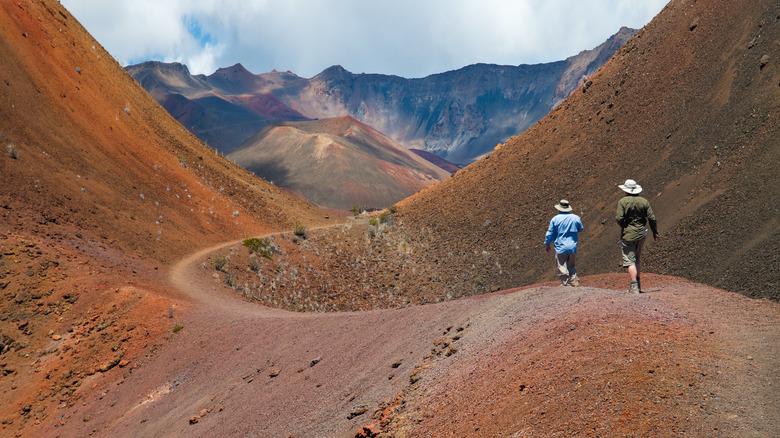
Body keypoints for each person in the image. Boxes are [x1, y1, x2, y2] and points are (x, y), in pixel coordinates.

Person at [615, 179, 660, 294]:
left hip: (628, 235)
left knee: (630, 260)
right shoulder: (644, 201)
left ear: (625, 190)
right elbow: (652, 218)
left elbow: (619, 218)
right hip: (641, 234)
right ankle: (638, 284)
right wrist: (655, 233)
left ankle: (634, 286)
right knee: (637, 258)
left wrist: (624, 225)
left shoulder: (622, 201)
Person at [544, 200, 584, 286]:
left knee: (561, 265)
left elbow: (549, 234)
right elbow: (581, 229)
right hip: (572, 246)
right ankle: (574, 279)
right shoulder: (576, 218)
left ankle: (566, 283)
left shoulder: (555, 219)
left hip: (561, 246)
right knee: (571, 265)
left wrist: (547, 244)